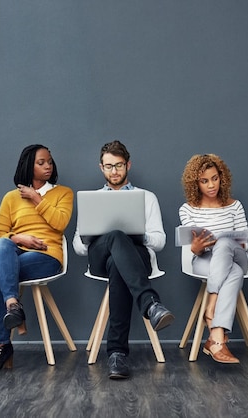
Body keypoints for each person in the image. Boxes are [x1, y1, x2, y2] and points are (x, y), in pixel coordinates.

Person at [73, 140, 174, 380]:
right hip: (99, 255)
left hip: (136, 257)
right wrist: (89, 236)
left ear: (128, 164)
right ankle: (150, 304)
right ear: (101, 168)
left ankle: (117, 354)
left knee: (119, 265)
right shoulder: (93, 198)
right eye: (108, 166)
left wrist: (139, 235)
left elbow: (159, 241)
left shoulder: (146, 197)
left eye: (118, 165)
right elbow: (77, 246)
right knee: (116, 236)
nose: (114, 171)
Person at [0, 145, 73, 373]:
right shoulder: (10, 198)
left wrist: (36, 199)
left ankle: (1, 345)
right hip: (16, 253)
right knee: (3, 245)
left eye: (49, 161)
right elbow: (0, 235)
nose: (48, 166)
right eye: (41, 162)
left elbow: (60, 223)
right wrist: (19, 237)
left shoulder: (63, 193)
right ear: (28, 166)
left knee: (2, 274)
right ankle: (13, 304)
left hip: (47, 256)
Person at [179, 154, 248, 364]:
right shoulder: (188, 209)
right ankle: (216, 338)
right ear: (196, 183)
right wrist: (196, 247)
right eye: (204, 181)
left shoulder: (235, 206)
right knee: (234, 273)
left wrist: (233, 243)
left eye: (214, 178)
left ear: (222, 178)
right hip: (205, 260)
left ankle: (210, 305)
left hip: (237, 256)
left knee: (225, 243)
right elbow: (193, 247)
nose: (211, 185)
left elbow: (247, 242)